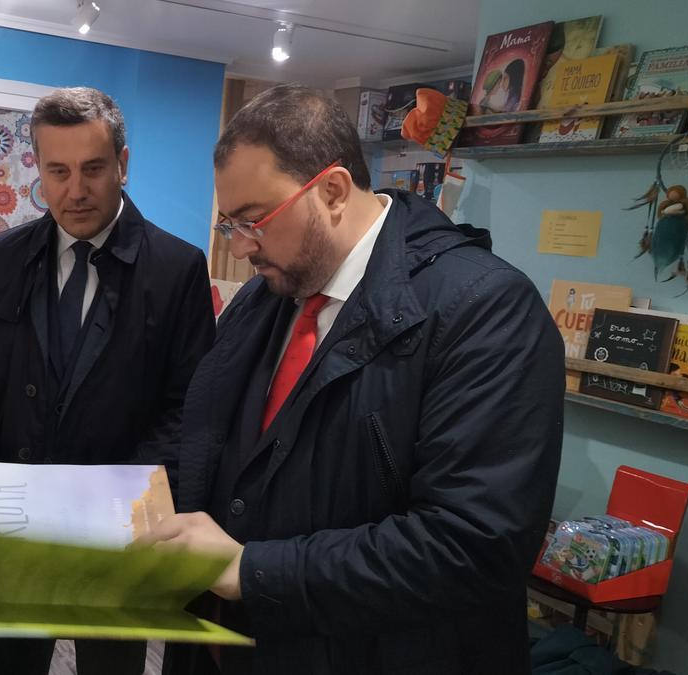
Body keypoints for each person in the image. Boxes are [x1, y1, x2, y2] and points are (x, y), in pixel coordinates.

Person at [143, 83, 564, 674]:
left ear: (334, 191)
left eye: (255, 221)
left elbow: (472, 544)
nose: (239, 249)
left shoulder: (485, 310)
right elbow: (220, 446)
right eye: (229, 225)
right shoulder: (268, 297)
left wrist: (248, 571)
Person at [0, 87, 216, 675]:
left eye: (93, 169)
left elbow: (188, 408)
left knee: (111, 665)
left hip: (119, 528)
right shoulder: (3, 259)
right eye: (57, 171)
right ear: (37, 168)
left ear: (123, 163)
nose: (75, 190)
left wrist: (120, 506)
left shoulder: (176, 270)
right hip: (11, 518)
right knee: (10, 660)